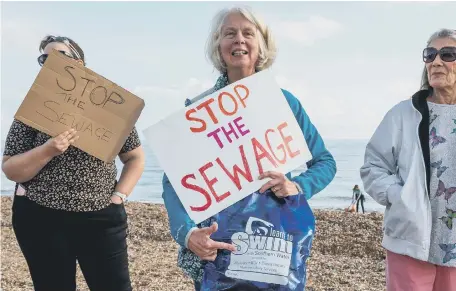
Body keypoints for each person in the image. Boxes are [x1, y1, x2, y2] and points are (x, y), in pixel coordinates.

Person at [161, 7, 337, 290]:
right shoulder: (198, 111)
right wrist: (187, 233)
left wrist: (297, 186)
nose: (239, 40)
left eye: (248, 33)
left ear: (262, 45)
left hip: (273, 244)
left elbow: (325, 163)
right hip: (215, 248)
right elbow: (173, 183)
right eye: (229, 33)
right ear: (219, 47)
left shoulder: (285, 103)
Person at [1, 35, 145, 291]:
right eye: (44, 58)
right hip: (40, 217)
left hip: (101, 217)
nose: (50, 62)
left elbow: (134, 157)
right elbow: (11, 168)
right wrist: (47, 150)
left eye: (59, 55)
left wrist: (119, 197)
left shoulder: (109, 105)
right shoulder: (34, 107)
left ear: (79, 63)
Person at [360, 28, 456, 291]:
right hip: (410, 242)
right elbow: (373, 166)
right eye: (430, 54)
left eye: (448, 54)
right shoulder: (403, 114)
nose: (436, 61)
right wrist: (399, 196)